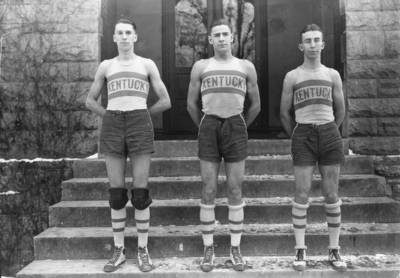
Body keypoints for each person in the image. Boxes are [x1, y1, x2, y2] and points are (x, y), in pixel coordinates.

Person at [86, 18, 171, 273]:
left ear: (135, 37)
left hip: (139, 125)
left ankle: (143, 249)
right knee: (117, 193)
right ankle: (119, 250)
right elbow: (90, 100)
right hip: (113, 126)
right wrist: (110, 116)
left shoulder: (146, 64)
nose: (123, 37)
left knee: (141, 192)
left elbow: (165, 100)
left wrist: (142, 116)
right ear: (114, 38)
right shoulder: (106, 66)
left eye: (128, 33)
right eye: (119, 33)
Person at [187, 18, 261, 272]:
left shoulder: (245, 66)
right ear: (210, 40)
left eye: (225, 34)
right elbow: (190, 103)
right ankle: (208, 248)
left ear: (232, 38)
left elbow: (256, 104)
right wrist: (206, 126)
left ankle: (235, 248)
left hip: (235, 126)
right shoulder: (201, 66)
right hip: (209, 125)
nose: (221, 38)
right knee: (209, 189)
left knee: (234, 188)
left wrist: (238, 126)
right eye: (216, 34)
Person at [279, 23, 347, 272]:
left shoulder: (332, 75)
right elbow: (284, 114)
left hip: (329, 131)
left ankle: (334, 249)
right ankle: (300, 250)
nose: (312, 45)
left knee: (331, 194)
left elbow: (340, 111)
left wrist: (329, 129)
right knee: (302, 193)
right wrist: (298, 135)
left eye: (316, 40)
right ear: (301, 45)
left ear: (323, 44)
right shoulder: (293, 76)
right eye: (307, 41)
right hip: (303, 133)